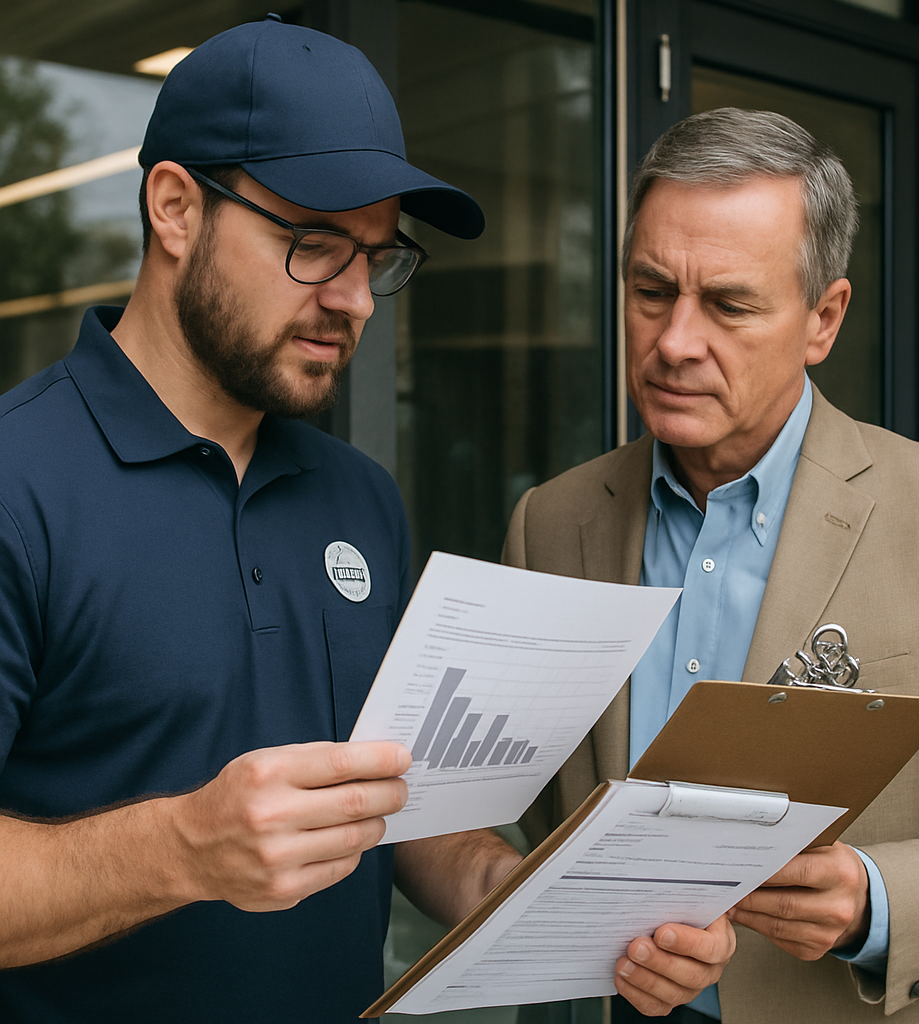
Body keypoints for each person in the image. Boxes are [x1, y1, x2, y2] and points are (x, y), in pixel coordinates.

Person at [0, 18, 732, 1023]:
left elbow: (395, 812)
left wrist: (524, 900)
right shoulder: (18, 481)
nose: (354, 299)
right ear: (174, 207)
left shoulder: (358, 496)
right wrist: (181, 847)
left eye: (378, 258)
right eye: (312, 244)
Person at [504, 107, 919, 1024]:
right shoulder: (553, 522)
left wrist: (876, 897)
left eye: (730, 305)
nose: (673, 342)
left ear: (825, 318)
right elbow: (524, 810)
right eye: (650, 290)